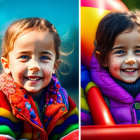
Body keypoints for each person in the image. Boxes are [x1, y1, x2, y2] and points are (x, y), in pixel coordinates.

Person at [0, 17, 79, 140]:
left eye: (44, 57)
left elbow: (72, 134)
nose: (35, 66)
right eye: (24, 57)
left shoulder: (61, 100)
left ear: (54, 66)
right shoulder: (3, 98)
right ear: (7, 65)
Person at [81, 10, 140, 125]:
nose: (131, 59)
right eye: (120, 52)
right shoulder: (94, 93)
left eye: (138, 51)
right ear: (103, 59)